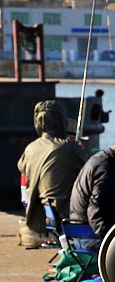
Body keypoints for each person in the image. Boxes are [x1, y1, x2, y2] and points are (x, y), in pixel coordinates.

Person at [17, 100, 87, 246]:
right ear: (61, 121)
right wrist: (78, 148)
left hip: (41, 212)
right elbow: (89, 171)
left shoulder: (30, 148)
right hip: (65, 212)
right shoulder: (70, 148)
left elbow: (22, 169)